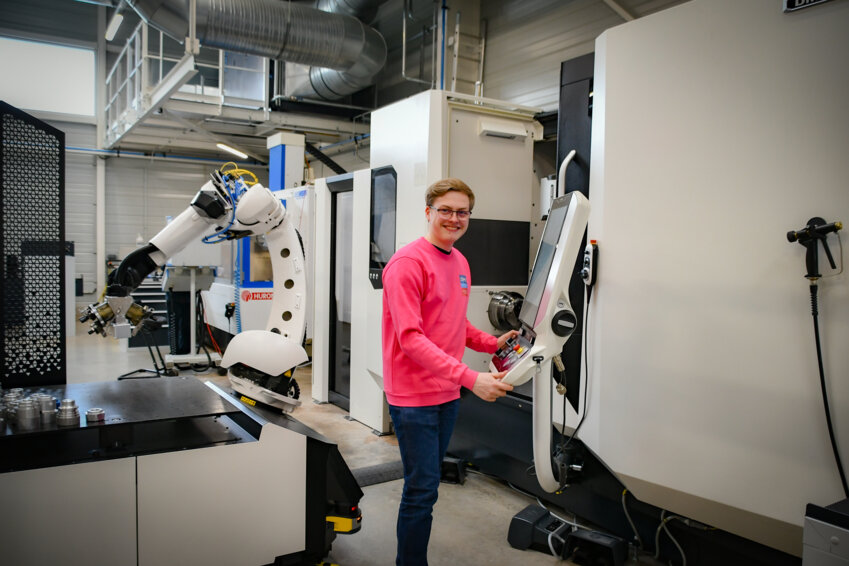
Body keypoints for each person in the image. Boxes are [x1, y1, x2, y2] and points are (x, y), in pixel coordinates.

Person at [381, 177, 518, 566]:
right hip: (414, 397)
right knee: (421, 489)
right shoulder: (408, 264)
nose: (454, 218)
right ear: (428, 213)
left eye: (462, 212)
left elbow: (454, 324)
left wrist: (493, 343)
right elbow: (411, 338)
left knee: (429, 486)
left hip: (446, 392)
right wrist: (472, 378)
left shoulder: (459, 262)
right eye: (446, 210)